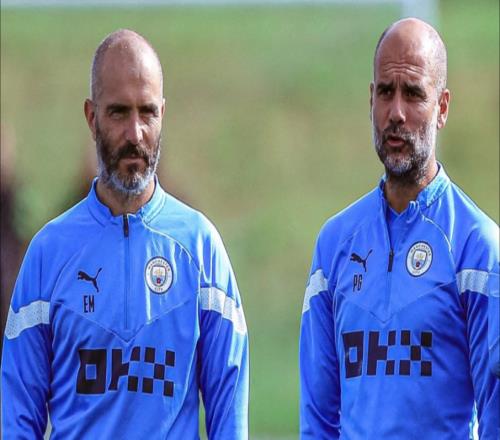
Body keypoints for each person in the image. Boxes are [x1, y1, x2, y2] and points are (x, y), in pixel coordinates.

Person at [2, 29, 249, 439]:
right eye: (118, 113)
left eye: (147, 112)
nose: (135, 134)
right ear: (91, 117)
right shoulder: (49, 252)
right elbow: (18, 416)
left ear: (162, 115)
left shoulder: (199, 246)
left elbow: (229, 411)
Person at [299, 18, 499, 439]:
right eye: (386, 92)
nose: (396, 113)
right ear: (370, 98)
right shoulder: (334, 245)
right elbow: (318, 418)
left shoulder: (476, 246)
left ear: (442, 107)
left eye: (413, 94)